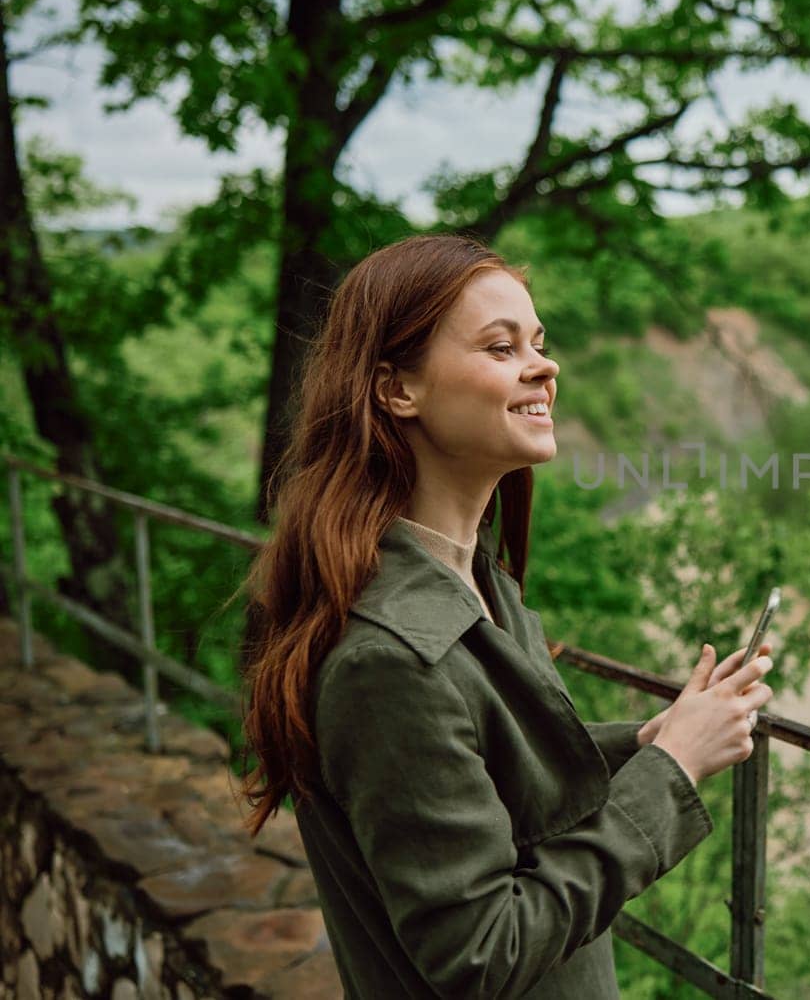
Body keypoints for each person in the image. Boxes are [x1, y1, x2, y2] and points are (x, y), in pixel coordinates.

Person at [236, 233, 775, 998]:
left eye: (540, 342)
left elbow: (484, 771)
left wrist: (646, 742)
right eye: (500, 347)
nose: (544, 366)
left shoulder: (477, 579)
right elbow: (480, 950)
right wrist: (670, 775)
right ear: (397, 389)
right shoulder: (389, 657)